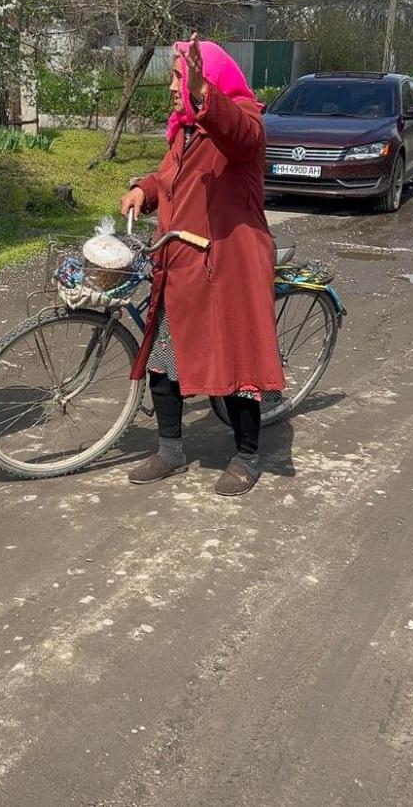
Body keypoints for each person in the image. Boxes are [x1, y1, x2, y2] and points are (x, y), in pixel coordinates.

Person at [120, 34, 285, 496]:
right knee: (162, 359)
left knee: (236, 366)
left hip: (228, 266)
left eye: (180, 76)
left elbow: (239, 133)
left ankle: (248, 456)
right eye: (175, 76)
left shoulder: (241, 121)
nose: (174, 86)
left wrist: (201, 92)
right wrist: (144, 191)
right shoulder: (184, 129)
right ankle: (171, 450)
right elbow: (169, 179)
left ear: (206, 81)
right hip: (183, 264)